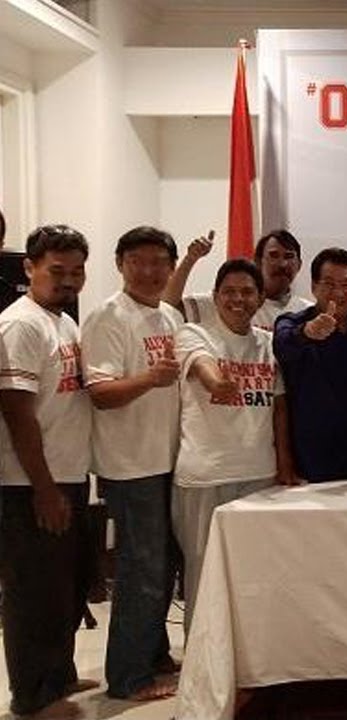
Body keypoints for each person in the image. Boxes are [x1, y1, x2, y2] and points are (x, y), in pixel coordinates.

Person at [80, 226, 183, 701]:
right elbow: (100, 393)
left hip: (168, 460)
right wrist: (149, 379)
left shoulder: (169, 316)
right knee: (141, 572)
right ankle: (127, 677)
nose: (149, 271)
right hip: (130, 466)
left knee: (162, 568)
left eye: (159, 262)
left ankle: (153, 654)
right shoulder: (108, 316)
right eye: (138, 261)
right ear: (120, 264)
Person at [0, 225, 95, 718]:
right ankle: (32, 694)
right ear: (29, 268)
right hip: (30, 483)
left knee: (65, 588)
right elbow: (17, 411)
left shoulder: (63, 322)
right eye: (57, 271)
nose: (68, 280)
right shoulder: (21, 325)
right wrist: (43, 488)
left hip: (69, 474)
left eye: (77, 271)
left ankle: (58, 676)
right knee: (33, 592)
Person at [172, 259, 291, 632]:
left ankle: (243, 656)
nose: (238, 299)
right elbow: (202, 365)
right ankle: (201, 657)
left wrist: (284, 465)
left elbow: (279, 408)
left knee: (252, 574)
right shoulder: (194, 334)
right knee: (204, 574)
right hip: (207, 475)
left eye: (247, 292)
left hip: (259, 475)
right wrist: (217, 384)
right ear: (215, 296)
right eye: (229, 292)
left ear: (260, 298)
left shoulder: (269, 344)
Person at [274, 248, 347, 482]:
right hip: (305, 459)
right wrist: (307, 332)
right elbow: (281, 345)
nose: (338, 293)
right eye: (329, 284)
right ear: (313, 287)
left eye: (346, 285)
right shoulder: (291, 323)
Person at [164, 228, 311, 332]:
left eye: (289, 256)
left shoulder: (309, 311)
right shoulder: (229, 302)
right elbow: (169, 305)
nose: (282, 264)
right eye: (274, 255)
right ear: (258, 261)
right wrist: (190, 259)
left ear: (299, 265)